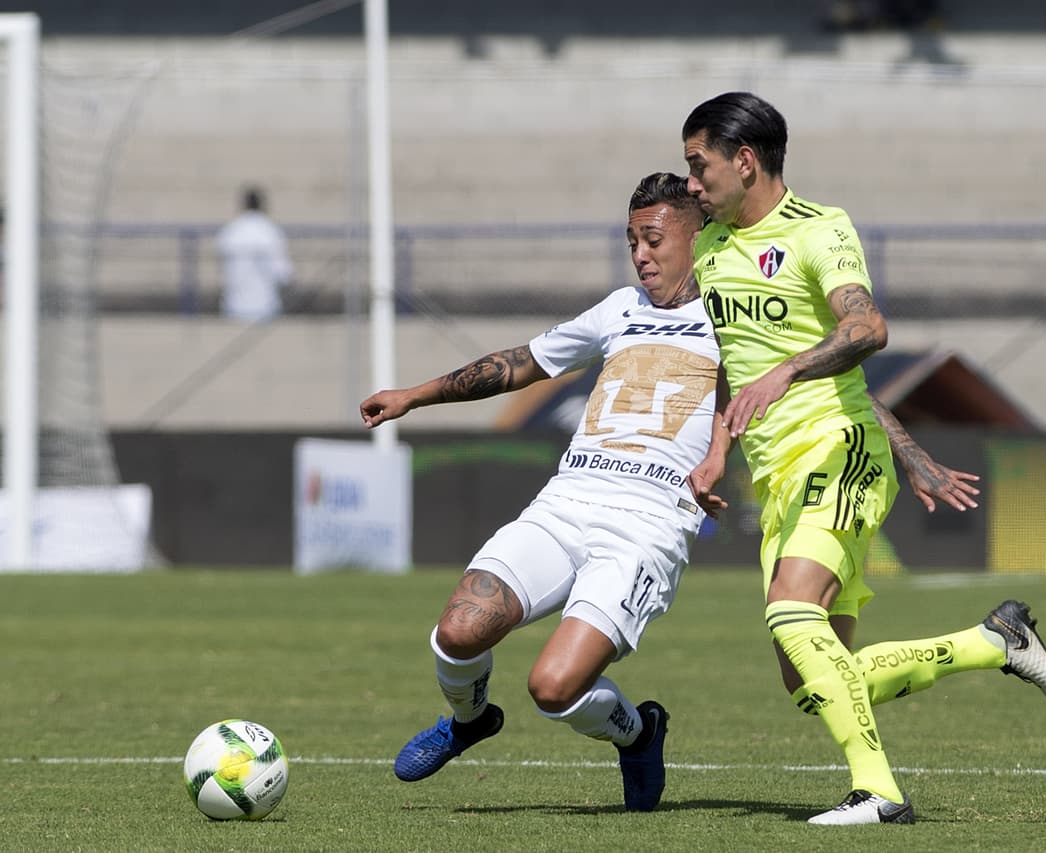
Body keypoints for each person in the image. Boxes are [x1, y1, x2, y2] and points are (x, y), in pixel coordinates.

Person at [360, 172, 980, 813]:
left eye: (653, 239)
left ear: (696, 235)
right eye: (631, 240)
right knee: (459, 632)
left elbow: (834, 385)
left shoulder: (733, 312)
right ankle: (468, 723)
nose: (641, 254)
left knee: (554, 689)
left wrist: (909, 453)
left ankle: (638, 731)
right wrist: (414, 395)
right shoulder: (619, 309)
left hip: (647, 525)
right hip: (567, 500)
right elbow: (521, 361)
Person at [681, 91, 1046, 826]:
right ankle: (993, 641)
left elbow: (866, 327)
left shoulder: (819, 230)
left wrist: (789, 373)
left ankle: (880, 792)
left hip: (838, 448)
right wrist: (716, 449)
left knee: (791, 611)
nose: (693, 185)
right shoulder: (710, 250)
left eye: (699, 167)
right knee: (811, 678)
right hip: (781, 476)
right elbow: (738, 365)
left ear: (745, 159)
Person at [215, 185, 293, 322]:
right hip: (265, 306)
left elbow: (221, 265)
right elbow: (283, 273)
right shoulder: (269, 231)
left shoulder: (231, 231)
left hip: (234, 305)